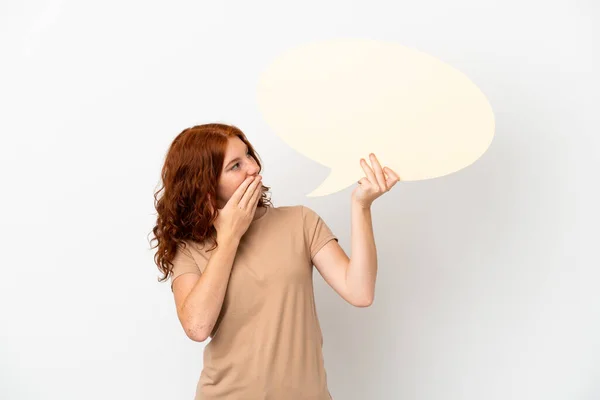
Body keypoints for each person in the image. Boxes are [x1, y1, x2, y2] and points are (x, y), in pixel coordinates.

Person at [149, 123, 399, 399]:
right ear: (206, 184)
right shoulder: (189, 248)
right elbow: (197, 327)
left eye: (248, 155)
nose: (254, 167)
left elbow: (360, 292)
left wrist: (361, 206)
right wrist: (230, 236)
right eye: (235, 165)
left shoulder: (300, 222)